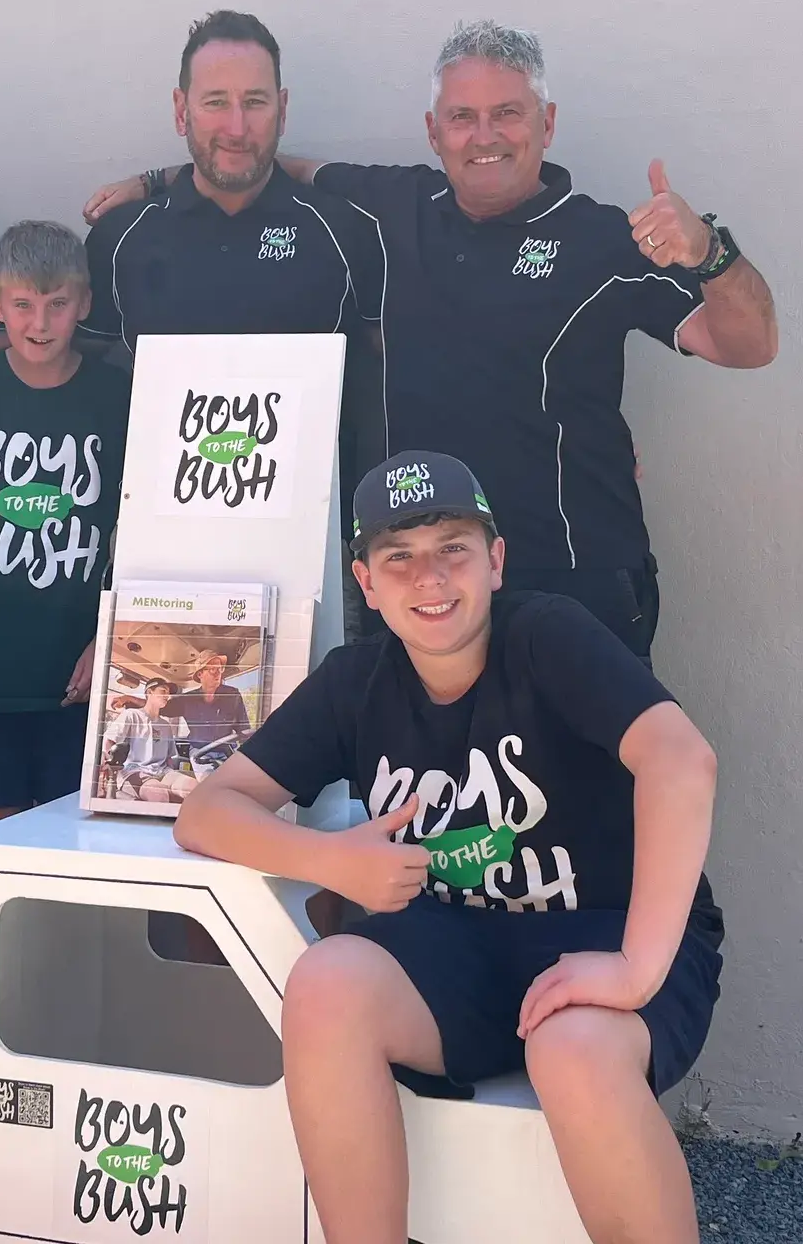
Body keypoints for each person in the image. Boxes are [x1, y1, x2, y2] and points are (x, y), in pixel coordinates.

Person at [84, 19, 780, 660]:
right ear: (433, 130)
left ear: (548, 123)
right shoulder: (395, 208)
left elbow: (748, 344)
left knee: (586, 791)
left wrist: (710, 253)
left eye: (507, 113)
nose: (485, 136)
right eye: (463, 118)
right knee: (431, 791)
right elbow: (254, 161)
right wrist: (156, 180)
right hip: (428, 589)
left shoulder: (604, 238)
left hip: (573, 577)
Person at [174, 450, 724, 1244]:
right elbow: (210, 810)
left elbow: (682, 761)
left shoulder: (549, 637)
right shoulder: (357, 679)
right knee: (326, 984)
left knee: (573, 1050)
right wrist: (334, 861)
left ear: (495, 561)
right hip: (459, 950)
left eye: (451, 549)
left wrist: (637, 968)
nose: (427, 578)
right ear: (366, 582)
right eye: (398, 557)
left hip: (608, 933)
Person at [0, 11, 388, 565]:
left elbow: (385, 381)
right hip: (161, 548)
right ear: (179, 109)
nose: (236, 126)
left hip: (312, 550)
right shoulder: (126, 237)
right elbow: (57, 344)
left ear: (282, 109)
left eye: (255, 102)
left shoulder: (343, 230)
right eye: (215, 102)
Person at [0, 221, 131, 826]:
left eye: (57, 305)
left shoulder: (115, 396)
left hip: (80, 666)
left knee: (80, 836)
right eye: (22, 306)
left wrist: (112, 636)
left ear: (84, 305)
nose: (39, 324)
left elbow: (136, 523)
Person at [100, 679, 190, 797]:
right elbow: (110, 741)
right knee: (158, 794)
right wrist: (112, 767)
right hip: (134, 770)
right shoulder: (132, 715)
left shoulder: (166, 726)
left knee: (192, 788)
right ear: (149, 692)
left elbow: (169, 758)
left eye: (168, 693)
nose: (167, 696)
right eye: (163, 691)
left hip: (162, 771)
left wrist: (172, 773)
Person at [164, 651, 252, 766]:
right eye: (212, 669)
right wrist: (134, 701)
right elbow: (160, 707)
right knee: (210, 781)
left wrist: (248, 757)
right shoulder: (187, 699)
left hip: (229, 752)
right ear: (200, 674)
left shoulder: (232, 694)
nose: (217, 673)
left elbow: (244, 728)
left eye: (219, 669)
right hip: (200, 753)